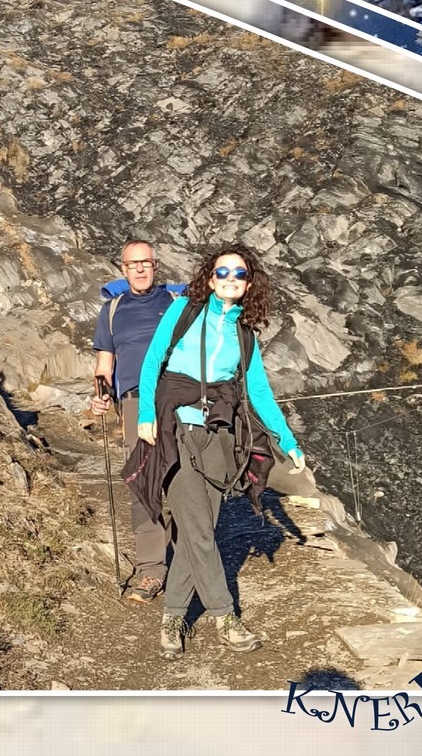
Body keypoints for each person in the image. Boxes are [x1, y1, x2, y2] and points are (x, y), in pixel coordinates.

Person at [135, 243, 307, 660]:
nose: (231, 279)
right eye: (223, 273)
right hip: (175, 429)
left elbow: (260, 393)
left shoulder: (245, 336)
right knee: (196, 529)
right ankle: (225, 616)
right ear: (209, 279)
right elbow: (152, 361)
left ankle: (172, 619)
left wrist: (288, 441)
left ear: (249, 285)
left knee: (200, 533)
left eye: (240, 274)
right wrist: (145, 413)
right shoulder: (184, 312)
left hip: (219, 439)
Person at [89, 238, 186, 602]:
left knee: (184, 478)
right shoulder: (111, 311)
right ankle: (150, 570)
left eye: (146, 262)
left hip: (178, 400)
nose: (141, 269)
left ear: (156, 265)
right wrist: (100, 396)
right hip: (134, 403)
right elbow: (104, 365)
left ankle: (188, 558)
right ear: (123, 269)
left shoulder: (177, 304)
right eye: (133, 264)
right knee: (143, 482)